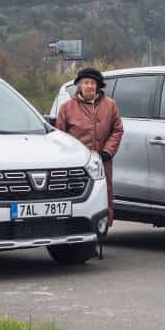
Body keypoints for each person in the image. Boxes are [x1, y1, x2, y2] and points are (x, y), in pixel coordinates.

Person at [55, 67, 124, 227]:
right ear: (79, 85)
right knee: (77, 197)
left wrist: (108, 151)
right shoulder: (67, 108)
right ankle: (75, 230)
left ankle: (101, 231)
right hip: (76, 164)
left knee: (103, 196)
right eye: (86, 82)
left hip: (102, 161)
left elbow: (117, 129)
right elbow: (59, 136)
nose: (89, 86)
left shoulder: (110, 105)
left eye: (93, 83)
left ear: (98, 86)